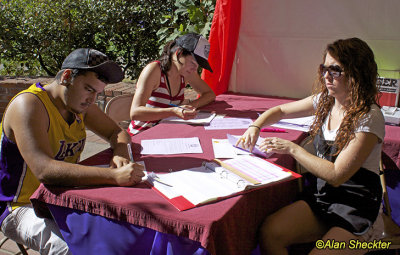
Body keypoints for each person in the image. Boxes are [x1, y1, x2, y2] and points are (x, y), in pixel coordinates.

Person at [237, 38, 384, 254]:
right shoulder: (326, 100)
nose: (326, 75)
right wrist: (256, 126)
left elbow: (336, 175)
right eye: (324, 68)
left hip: (355, 206)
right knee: (270, 232)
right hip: (325, 198)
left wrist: (292, 148)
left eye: (335, 70)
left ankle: (374, 230)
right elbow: (281, 111)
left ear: (356, 73)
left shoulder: (369, 116)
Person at [0, 48, 144, 254]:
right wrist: (113, 176)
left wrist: (120, 152)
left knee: (122, 231)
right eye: (88, 89)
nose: (92, 99)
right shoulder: (29, 105)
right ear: (67, 76)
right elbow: (44, 170)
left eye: (97, 92)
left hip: (60, 195)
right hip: (18, 205)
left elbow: (116, 132)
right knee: (73, 249)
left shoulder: (79, 105)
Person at [128, 33, 216, 135]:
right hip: (141, 134)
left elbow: (210, 95)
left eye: (198, 66)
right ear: (179, 53)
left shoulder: (187, 72)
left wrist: (189, 106)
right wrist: (173, 111)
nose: (195, 69)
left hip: (166, 132)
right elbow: (135, 113)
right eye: (192, 63)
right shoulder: (154, 70)